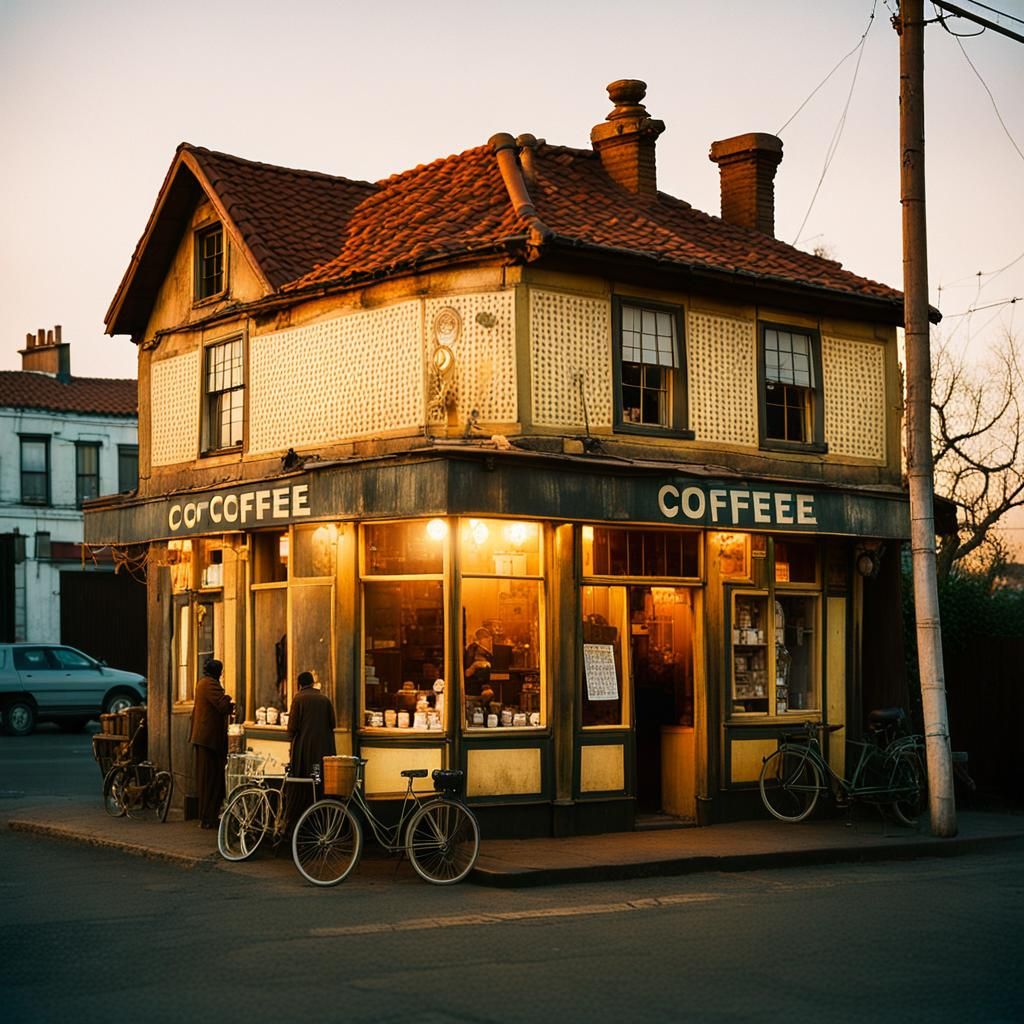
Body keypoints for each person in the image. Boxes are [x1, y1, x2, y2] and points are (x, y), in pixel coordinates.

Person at [189, 658, 234, 829]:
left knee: (208, 778)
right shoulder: (210, 684)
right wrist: (229, 697)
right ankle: (208, 817)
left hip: (205, 739)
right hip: (208, 740)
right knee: (210, 779)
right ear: (217, 671)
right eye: (220, 671)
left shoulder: (203, 683)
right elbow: (222, 706)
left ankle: (208, 815)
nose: (221, 674)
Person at [287, 671, 337, 779]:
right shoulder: (325, 699)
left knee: (304, 776)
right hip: (322, 747)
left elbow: (292, 726)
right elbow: (333, 723)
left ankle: (308, 794)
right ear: (312, 683)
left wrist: (291, 744)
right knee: (317, 773)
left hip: (304, 747)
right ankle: (318, 790)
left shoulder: (298, 699)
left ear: (299, 684)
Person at [464, 627, 493, 693]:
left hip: (482, 688)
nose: (489, 641)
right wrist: (476, 665)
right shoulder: (472, 649)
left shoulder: (487, 653)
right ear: (480, 640)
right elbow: (467, 673)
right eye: (486, 638)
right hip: (473, 688)